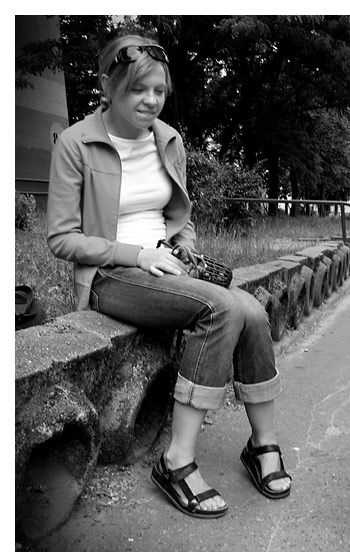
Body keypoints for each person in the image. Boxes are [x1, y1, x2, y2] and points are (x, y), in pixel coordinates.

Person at [47, 34, 291, 519]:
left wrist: (185, 253)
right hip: (112, 274)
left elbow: (180, 216)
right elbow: (61, 238)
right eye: (138, 90)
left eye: (159, 91)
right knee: (220, 309)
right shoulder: (76, 143)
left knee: (253, 312)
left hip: (166, 267)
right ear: (106, 86)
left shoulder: (167, 139)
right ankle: (176, 462)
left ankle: (262, 443)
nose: (150, 101)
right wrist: (137, 255)